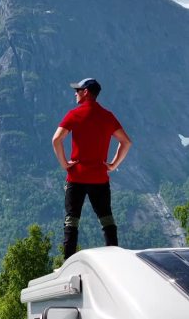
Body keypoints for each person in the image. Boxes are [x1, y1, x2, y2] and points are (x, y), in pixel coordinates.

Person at [52, 78, 132, 259]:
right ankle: (115, 258)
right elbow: (126, 142)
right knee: (106, 218)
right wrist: (113, 164)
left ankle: (68, 262)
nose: (75, 93)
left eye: (78, 90)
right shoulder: (108, 116)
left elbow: (56, 140)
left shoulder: (74, 115)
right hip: (99, 178)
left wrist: (65, 164)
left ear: (86, 92)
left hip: (77, 177)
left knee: (71, 220)